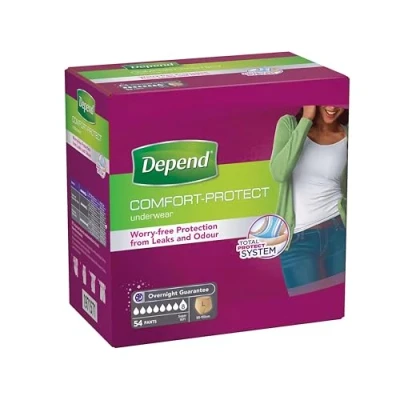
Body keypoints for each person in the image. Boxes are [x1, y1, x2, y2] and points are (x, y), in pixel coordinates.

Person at [270, 106, 348, 296]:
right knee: (306, 305)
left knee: (338, 301)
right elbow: (279, 173)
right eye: (326, 100)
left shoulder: (349, 134)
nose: (332, 107)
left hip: (339, 232)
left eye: (337, 101)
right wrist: (306, 119)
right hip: (297, 239)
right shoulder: (290, 124)